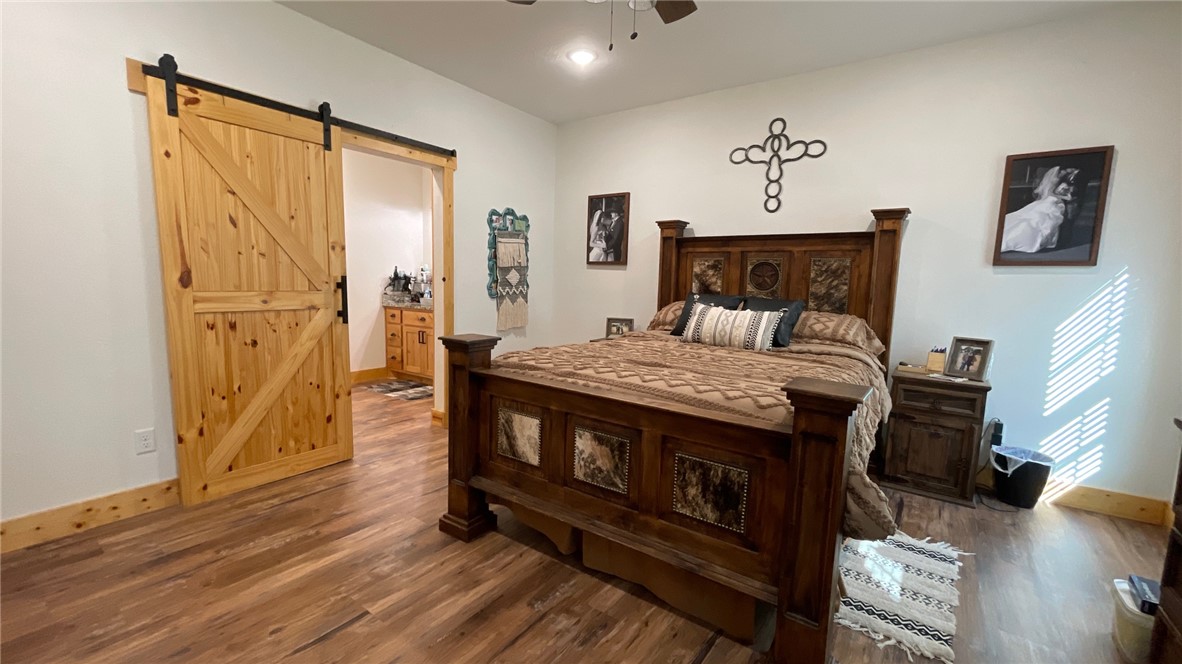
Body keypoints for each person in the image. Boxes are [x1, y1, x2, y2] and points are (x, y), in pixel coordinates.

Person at [1000, 166, 1081, 253]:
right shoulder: (1062, 185)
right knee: (1043, 218)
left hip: (1051, 201)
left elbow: (1055, 193)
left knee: (1039, 217)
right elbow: (1057, 194)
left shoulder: (1060, 184)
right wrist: (1067, 198)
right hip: (1052, 202)